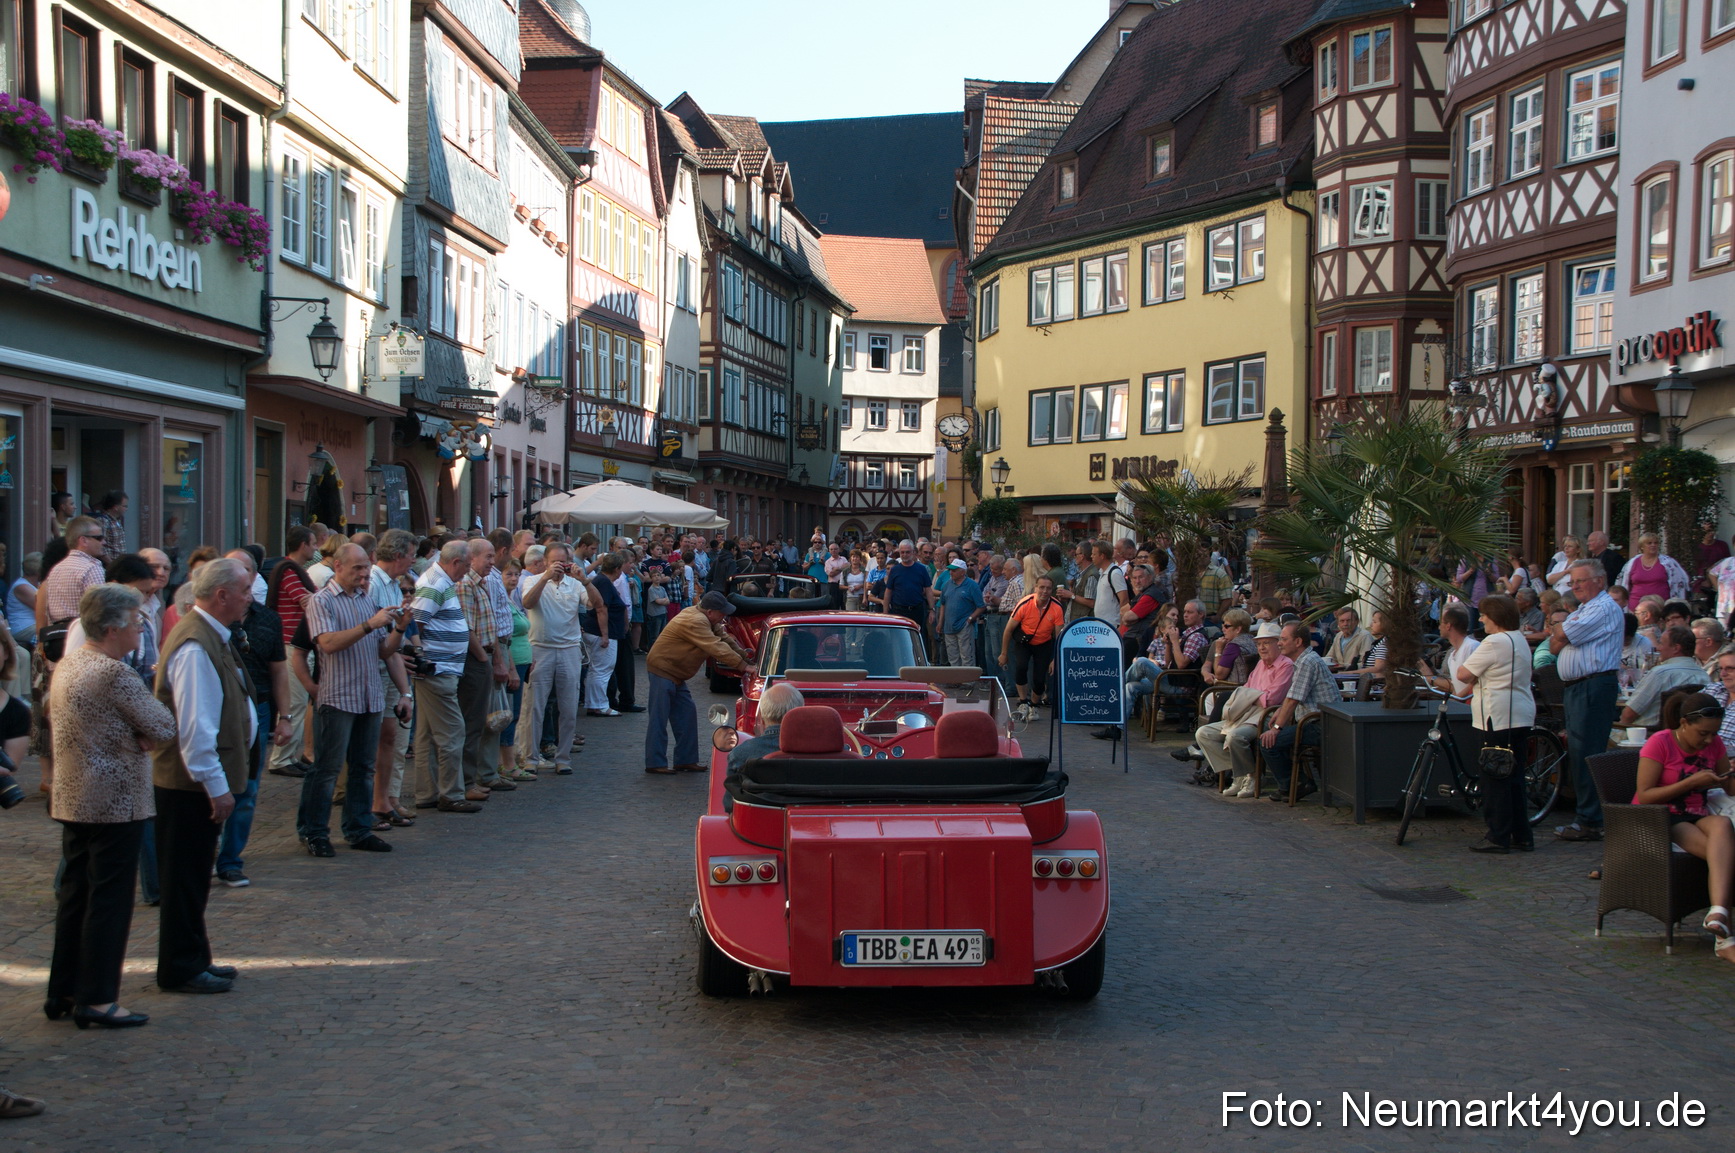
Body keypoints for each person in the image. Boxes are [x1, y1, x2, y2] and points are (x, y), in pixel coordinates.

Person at [47, 583, 179, 1028]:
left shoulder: (68, 664)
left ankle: (64, 989)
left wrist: (137, 733)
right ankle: (98, 996)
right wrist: (140, 735)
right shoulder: (113, 672)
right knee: (108, 900)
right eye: (136, 621)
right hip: (114, 799)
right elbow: (162, 723)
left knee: (76, 896)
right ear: (112, 627)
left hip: (75, 794)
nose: (141, 629)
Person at [152, 558, 257, 995]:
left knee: (194, 877)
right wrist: (216, 787)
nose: (250, 599)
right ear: (222, 596)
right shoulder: (195, 645)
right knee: (185, 878)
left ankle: (195, 956)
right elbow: (195, 730)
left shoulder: (212, 636)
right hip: (187, 786)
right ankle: (179, 965)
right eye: (245, 591)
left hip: (198, 784)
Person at [299, 544, 409, 857]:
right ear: (338, 566)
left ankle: (358, 829)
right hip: (337, 696)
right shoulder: (321, 601)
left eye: (366, 568)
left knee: (363, 767)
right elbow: (328, 644)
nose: (363, 574)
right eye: (357, 568)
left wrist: (398, 629)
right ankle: (315, 832)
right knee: (327, 769)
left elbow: (384, 651)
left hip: (369, 696)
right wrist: (368, 625)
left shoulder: (367, 600)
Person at [1633, 690, 1735, 962]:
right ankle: (1725, 940)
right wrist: (1691, 782)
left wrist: (1729, 776)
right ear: (1684, 723)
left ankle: (1718, 915)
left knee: (1723, 826)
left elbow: (1729, 787)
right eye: (1703, 733)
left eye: (1713, 734)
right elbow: (1645, 794)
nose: (1709, 740)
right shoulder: (1661, 742)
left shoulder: (1716, 744)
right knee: (1726, 857)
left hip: (1697, 812)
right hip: (1659, 816)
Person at [211, 551, 290, 889]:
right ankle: (205, 853)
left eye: (243, 575)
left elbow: (278, 671)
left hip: (254, 708)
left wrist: (284, 716)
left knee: (247, 787)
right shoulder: (208, 621)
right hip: (216, 709)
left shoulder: (267, 619)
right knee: (210, 784)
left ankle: (230, 860)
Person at [1549, 558, 1624, 842]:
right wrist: (1562, 633)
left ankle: (1590, 820)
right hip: (1578, 687)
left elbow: (1562, 633)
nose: (1575, 586)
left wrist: (1563, 632)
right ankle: (1587, 817)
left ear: (1600, 580)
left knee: (1587, 754)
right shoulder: (1584, 608)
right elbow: (1555, 642)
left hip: (1592, 686)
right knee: (1579, 753)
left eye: (1580, 580)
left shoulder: (1603, 608)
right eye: (1573, 582)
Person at [1454, 594, 1536, 853]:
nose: (1481, 619)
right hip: (1519, 713)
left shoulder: (1495, 641)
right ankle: (1521, 834)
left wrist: (1478, 677)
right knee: (1514, 777)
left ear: (1495, 617)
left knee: (1495, 776)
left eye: (1484, 614)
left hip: (1498, 716)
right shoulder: (1519, 638)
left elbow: (1463, 673)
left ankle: (1498, 835)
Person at [410, 542, 483, 814]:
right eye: (466, 566)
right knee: (453, 731)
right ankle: (450, 793)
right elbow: (416, 622)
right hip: (437, 670)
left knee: (427, 734)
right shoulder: (434, 583)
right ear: (456, 562)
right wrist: (421, 654)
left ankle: (427, 792)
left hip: (440, 668)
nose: (466, 572)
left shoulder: (440, 581)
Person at [645, 591, 752, 774]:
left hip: (675, 673)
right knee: (659, 719)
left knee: (687, 715)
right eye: (722, 612)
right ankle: (655, 763)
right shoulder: (696, 620)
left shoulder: (707, 619)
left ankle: (685, 760)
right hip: (663, 670)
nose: (724, 616)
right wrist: (744, 666)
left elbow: (725, 639)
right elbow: (716, 647)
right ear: (710, 611)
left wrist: (746, 657)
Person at [1198, 622, 1293, 797]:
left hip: (1267, 716)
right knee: (1203, 734)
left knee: (1236, 737)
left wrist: (1250, 696)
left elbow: (1271, 699)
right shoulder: (1260, 664)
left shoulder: (1285, 665)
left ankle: (1252, 777)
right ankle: (1240, 773)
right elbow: (1247, 690)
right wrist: (1253, 696)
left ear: (1277, 643)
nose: (1262, 648)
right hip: (1246, 713)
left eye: (1266, 643)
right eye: (1259, 644)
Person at [521, 543, 591, 775]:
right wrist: (545, 579)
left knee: (569, 706)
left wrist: (586, 581)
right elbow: (528, 603)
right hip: (540, 648)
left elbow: (595, 604)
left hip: (569, 649)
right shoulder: (532, 580)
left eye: (565, 561)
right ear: (546, 562)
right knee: (535, 706)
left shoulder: (575, 583)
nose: (561, 566)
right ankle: (531, 757)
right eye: (556, 561)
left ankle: (563, 757)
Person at [364, 531, 419, 825]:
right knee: (376, 740)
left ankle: (383, 801)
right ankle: (374, 802)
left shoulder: (394, 585)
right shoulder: (373, 584)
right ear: (398, 555)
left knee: (389, 738)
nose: (413, 560)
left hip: (389, 667)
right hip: (373, 670)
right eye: (411, 554)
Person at [456, 538, 517, 799]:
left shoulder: (484, 579)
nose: (493, 563)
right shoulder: (472, 583)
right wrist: (491, 659)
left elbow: (493, 620)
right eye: (488, 557)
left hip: (494, 650)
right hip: (484, 654)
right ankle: (480, 775)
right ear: (473, 557)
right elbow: (472, 628)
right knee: (484, 720)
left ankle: (484, 773)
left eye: (493, 556)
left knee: (490, 717)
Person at [1258, 620, 1345, 801]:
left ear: (1298, 642)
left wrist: (1276, 730)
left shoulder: (1307, 662)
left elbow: (1293, 700)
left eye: (1283, 639)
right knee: (1271, 738)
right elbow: (1293, 697)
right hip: (1311, 721)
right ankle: (1297, 782)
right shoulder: (1302, 661)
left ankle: (1296, 784)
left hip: (1321, 725)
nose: (1279, 643)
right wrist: (1280, 711)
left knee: (1268, 742)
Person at [266, 526, 318, 778]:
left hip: (293, 643)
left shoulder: (292, 571)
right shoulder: (289, 571)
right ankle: (281, 758)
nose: (316, 548)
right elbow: (306, 601)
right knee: (295, 702)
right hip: (290, 644)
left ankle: (289, 755)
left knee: (296, 702)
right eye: (313, 543)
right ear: (303, 545)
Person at [999, 576, 1066, 720]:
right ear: (1035, 588)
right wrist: (1004, 653)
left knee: (1040, 678)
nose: (1045, 591)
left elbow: (1059, 636)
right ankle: (1023, 702)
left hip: (1044, 643)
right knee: (1021, 667)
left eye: (1048, 588)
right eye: (1041, 587)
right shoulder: (1025, 604)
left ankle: (1034, 706)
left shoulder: (1056, 608)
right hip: (1025, 641)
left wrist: (1055, 659)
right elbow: (1008, 629)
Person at [1619, 625, 1708, 730]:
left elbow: (1628, 715)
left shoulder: (1659, 674)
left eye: (1661, 643)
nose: (1658, 648)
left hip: (1646, 736)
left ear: (1676, 648)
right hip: (1684, 737)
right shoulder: (1705, 676)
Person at [584, 553, 625, 717]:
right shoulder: (604, 583)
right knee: (602, 669)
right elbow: (602, 609)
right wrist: (605, 635)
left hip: (597, 631)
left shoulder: (601, 581)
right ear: (616, 569)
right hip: (601, 632)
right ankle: (598, 704)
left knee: (597, 669)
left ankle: (594, 703)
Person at [727, 683, 803, 770]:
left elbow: (731, 782)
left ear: (762, 718)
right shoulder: (817, 752)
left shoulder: (739, 754)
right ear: (799, 714)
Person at [1421, 603, 1479, 698]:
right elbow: (1455, 687)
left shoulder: (1471, 646)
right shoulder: (1452, 655)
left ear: (1448, 626)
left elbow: (1474, 682)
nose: (1439, 627)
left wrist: (1458, 699)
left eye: (1441, 623)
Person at [938, 558, 986, 668]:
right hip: (949, 626)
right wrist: (941, 622)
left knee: (966, 656)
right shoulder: (947, 585)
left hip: (964, 625)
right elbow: (943, 604)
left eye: (954, 570)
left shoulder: (972, 585)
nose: (951, 572)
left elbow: (981, 606)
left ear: (962, 572)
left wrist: (970, 619)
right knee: (953, 657)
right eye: (950, 570)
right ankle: (956, 681)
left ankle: (968, 682)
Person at [883, 541, 933, 645]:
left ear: (913, 552)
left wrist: (932, 610)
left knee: (917, 638)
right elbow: (888, 591)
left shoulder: (921, 569)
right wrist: (885, 612)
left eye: (907, 552)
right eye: (902, 552)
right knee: (898, 638)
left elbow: (928, 590)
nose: (905, 555)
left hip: (917, 609)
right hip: (899, 609)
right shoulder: (895, 570)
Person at [1617, 532, 1690, 603]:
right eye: (1649, 543)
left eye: (1656, 543)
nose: (1653, 545)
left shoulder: (1668, 563)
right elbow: (1622, 583)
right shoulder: (1632, 563)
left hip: (1661, 606)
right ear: (1642, 546)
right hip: (1636, 606)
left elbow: (1679, 583)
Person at [6, 552, 38, 646]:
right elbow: (44, 607)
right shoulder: (22, 587)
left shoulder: (35, 585)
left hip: (33, 625)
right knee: (50, 631)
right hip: (23, 627)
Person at [93, 490, 128, 563]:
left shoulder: (116, 521)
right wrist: (111, 564)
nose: (126, 509)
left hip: (119, 563)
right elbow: (100, 547)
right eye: (125, 506)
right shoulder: (104, 521)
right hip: (110, 565)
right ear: (116, 507)